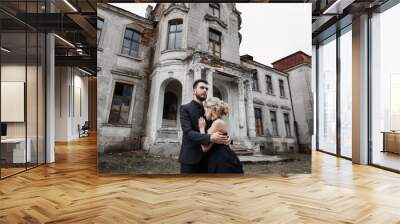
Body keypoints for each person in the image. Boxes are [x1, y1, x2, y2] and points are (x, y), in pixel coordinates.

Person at [179, 80, 231, 174]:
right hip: (190, 158)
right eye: (202, 88)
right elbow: (187, 132)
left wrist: (226, 137)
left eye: (206, 89)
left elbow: (216, 127)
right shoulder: (185, 108)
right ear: (194, 91)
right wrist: (209, 137)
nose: (205, 90)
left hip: (208, 158)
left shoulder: (210, 109)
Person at [198, 97, 244, 174]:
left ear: (210, 110)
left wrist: (201, 128)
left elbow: (204, 148)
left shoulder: (217, 123)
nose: (204, 113)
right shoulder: (218, 122)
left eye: (205, 110)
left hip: (221, 160)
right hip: (220, 157)